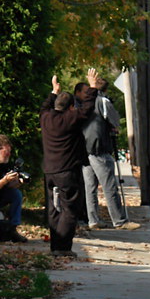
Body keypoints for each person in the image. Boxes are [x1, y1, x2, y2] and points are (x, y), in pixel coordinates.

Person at [40, 69, 99, 257]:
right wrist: (92, 87)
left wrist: (53, 92)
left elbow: (44, 107)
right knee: (70, 208)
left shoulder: (46, 118)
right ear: (70, 107)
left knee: (53, 208)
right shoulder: (70, 119)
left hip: (50, 171)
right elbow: (87, 110)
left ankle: (54, 245)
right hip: (67, 171)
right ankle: (62, 248)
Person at [75, 78, 140, 231]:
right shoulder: (102, 101)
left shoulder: (81, 104)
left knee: (90, 187)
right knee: (109, 185)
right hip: (99, 148)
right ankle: (120, 220)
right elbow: (115, 121)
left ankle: (93, 220)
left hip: (85, 149)